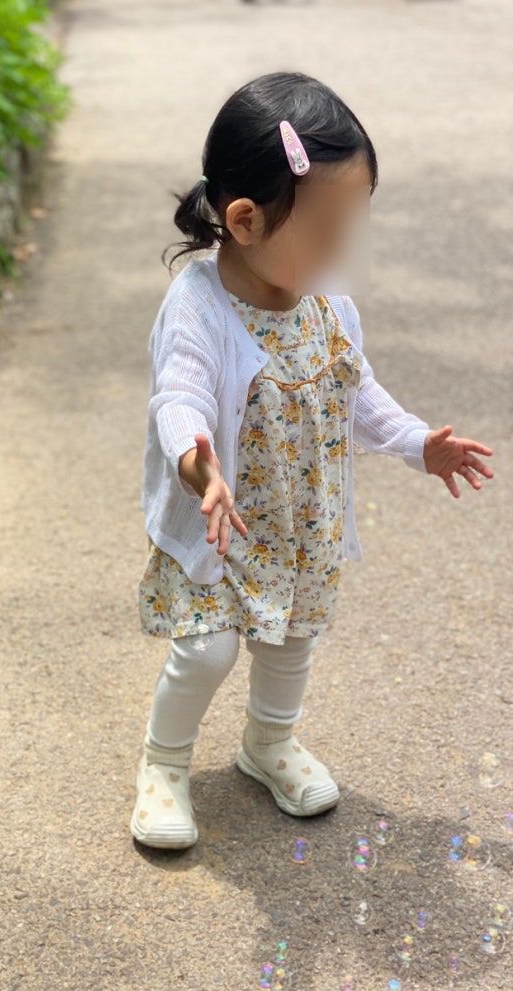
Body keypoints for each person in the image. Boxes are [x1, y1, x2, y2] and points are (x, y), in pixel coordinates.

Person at [131, 71, 494, 850]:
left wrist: (417, 443)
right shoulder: (197, 306)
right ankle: (163, 764)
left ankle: (268, 741)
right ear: (245, 220)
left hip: (300, 525)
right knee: (206, 649)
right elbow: (179, 398)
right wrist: (199, 465)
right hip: (221, 521)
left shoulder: (326, 301)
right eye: (325, 232)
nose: (340, 252)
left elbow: (355, 391)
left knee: (291, 639)